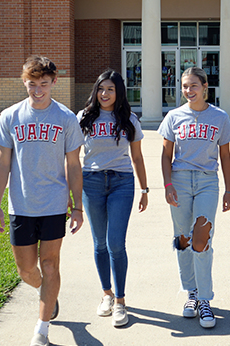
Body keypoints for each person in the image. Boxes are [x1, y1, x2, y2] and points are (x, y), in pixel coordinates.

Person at [0, 55, 84, 346]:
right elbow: (3, 162)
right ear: (24, 82)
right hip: (21, 205)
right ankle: (48, 293)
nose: (38, 90)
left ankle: (42, 330)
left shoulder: (66, 118)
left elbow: (73, 164)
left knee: (51, 264)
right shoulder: (11, 117)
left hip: (55, 204)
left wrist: (78, 206)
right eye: (32, 84)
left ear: (54, 82)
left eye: (44, 84)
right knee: (27, 270)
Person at [158, 66, 230, 329]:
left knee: (201, 240)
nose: (188, 91)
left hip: (206, 182)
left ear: (205, 87)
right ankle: (190, 292)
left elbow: (225, 155)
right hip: (179, 181)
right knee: (183, 239)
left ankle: (204, 299)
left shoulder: (220, 117)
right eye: (184, 86)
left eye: (193, 85)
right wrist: (167, 184)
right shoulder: (174, 116)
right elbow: (166, 155)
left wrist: (228, 189)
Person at [77, 69, 149, 328]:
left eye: (110, 89)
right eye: (101, 88)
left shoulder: (128, 119)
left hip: (121, 182)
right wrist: (71, 194)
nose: (104, 94)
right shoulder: (84, 117)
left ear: (118, 93)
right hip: (92, 182)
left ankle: (120, 301)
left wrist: (145, 189)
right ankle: (106, 294)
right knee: (99, 244)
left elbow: (138, 157)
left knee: (116, 243)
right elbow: (72, 158)